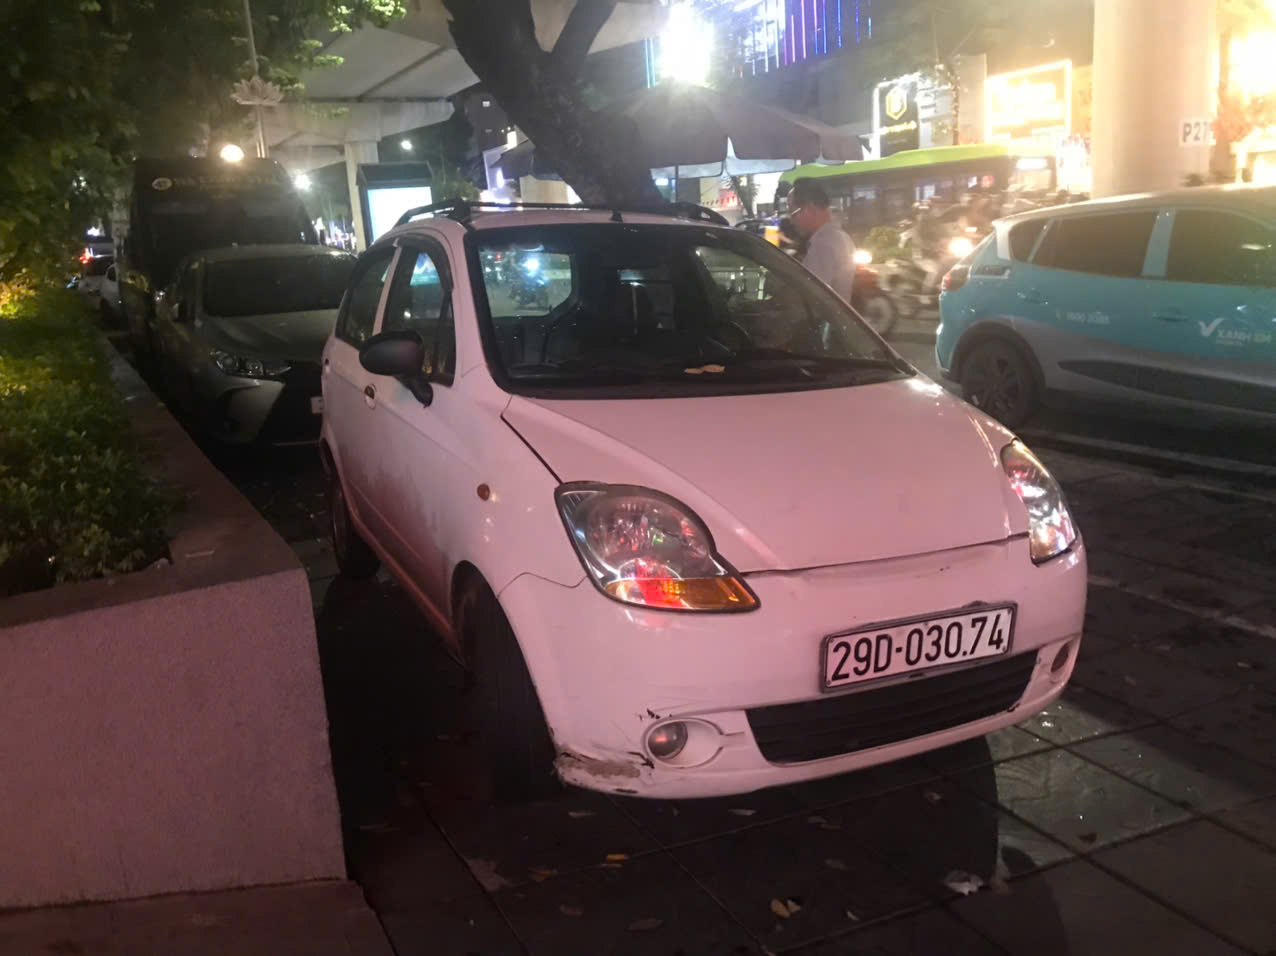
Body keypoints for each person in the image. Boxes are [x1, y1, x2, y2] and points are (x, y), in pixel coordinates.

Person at [788, 178, 856, 302]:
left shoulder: (823, 245)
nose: (792, 221)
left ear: (811, 209)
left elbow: (810, 298)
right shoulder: (840, 236)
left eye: (793, 214)